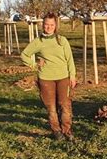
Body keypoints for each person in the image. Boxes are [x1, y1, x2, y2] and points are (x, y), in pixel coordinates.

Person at [21, 12, 76, 140]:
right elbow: (24, 55)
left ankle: (67, 130)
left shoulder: (62, 40)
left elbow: (70, 59)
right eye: (46, 24)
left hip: (63, 77)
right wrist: (34, 65)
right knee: (51, 107)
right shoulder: (38, 41)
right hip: (46, 79)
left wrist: (72, 75)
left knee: (65, 105)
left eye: (52, 24)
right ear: (43, 25)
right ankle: (56, 131)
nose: (49, 27)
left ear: (55, 25)